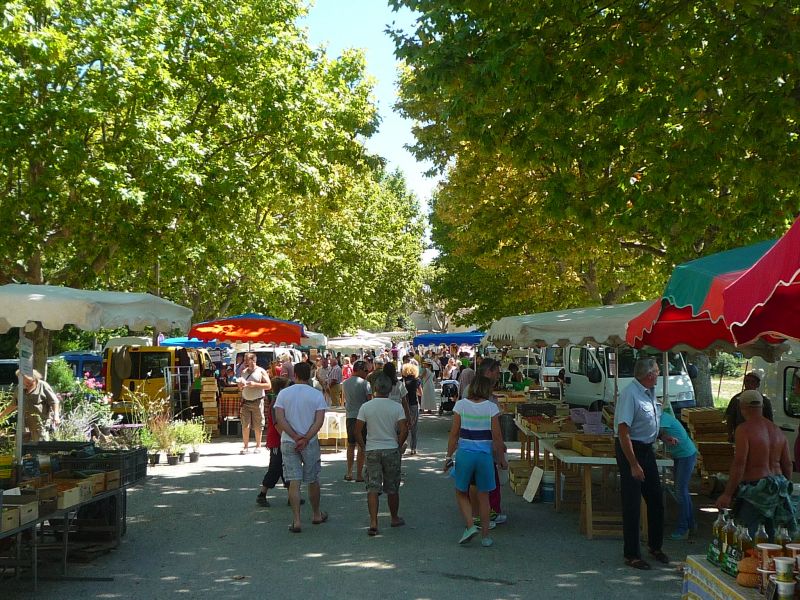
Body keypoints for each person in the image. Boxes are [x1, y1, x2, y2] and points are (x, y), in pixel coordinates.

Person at [614, 358, 676, 570]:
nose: (659, 375)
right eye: (657, 372)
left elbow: (650, 422)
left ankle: (655, 546)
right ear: (649, 374)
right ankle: (631, 554)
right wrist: (633, 464)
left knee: (656, 499)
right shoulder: (629, 394)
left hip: (647, 449)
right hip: (631, 450)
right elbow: (624, 432)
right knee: (632, 503)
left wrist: (663, 436)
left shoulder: (649, 393)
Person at [716, 390, 795, 538]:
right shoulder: (777, 430)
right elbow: (787, 465)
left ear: (742, 407)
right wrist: (784, 490)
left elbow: (740, 463)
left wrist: (727, 494)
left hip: (756, 491)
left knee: (748, 535)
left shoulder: (744, 430)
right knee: (772, 536)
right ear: (762, 406)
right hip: (778, 488)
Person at [445, 374, 507, 547]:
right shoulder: (491, 408)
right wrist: (501, 458)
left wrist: (448, 456)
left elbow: (454, 434)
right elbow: (497, 436)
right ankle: (486, 536)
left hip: (465, 454)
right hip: (484, 456)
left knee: (461, 492)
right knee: (484, 496)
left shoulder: (461, 405)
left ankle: (470, 525)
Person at [275, 362, 329, 533]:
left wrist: (294, 435)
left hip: (289, 441)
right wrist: (306, 437)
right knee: (312, 479)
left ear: (295, 375)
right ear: (310, 375)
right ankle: (316, 514)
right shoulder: (316, 395)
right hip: (310, 442)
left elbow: (280, 419)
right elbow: (319, 421)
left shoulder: (284, 394)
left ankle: (297, 520)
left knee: (294, 481)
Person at [355, 372, 408, 536]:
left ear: (375, 388)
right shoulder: (396, 407)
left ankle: (373, 522)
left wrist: (363, 446)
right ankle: (394, 517)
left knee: (372, 487)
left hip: (372, 449)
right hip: (391, 448)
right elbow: (404, 429)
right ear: (391, 389)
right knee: (392, 487)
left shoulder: (366, 407)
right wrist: (398, 445)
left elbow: (357, 430)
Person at [256, 377, 303, 507]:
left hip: (282, 439)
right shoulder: (276, 403)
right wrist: (288, 438)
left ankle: (291, 495)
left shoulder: (281, 401)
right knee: (275, 467)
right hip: (277, 440)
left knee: (286, 467)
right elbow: (277, 425)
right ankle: (262, 494)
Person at [659, 411, 697, 539]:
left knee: (681, 492)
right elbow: (661, 435)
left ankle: (683, 528)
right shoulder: (662, 418)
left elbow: (654, 433)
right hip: (682, 455)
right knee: (682, 491)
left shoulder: (663, 418)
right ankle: (690, 524)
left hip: (685, 455)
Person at [5, 370, 61, 442]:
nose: (25, 384)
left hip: (40, 425)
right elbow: (13, 404)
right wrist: (1, 415)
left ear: (34, 378)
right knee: (22, 449)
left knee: (40, 448)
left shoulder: (43, 385)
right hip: (24, 426)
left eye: (28, 382)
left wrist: (56, 416)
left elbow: (54, 401)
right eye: (23, 381)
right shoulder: (19, 388)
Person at [342, 360, 372, 482]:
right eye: (365, 370)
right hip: (362, 417)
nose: (367, 373)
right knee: (361, 445)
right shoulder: (366, 383)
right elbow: (369, 401)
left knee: (350, 444)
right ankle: (359, 474)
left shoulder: (345, 383)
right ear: (359, 370)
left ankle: (349, 472)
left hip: (350, 416)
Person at [237, 353, 272, 454]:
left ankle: (258, 446)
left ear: (253, 360)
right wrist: (240, 385)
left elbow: (268, 385)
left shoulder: (261, 371)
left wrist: (255, 384)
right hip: (245, 401)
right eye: (244, 360)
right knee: (245, 424)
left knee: (258, 424)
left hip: (257, 401)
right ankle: (246, 446)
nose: (245, 362)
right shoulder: (243, 371)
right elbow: (240, 387)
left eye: (246, 359)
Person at [725, 369, 773, 442]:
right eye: (747, 381)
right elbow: (730, 418)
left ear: (758, 384)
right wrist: (730, 434)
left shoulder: (764, 401)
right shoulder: (736, 399)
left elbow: (769, 421)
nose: (749, 384)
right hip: (740, 435)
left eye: (753, 382)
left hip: (758, 437)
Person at [401, 363, 421, 455]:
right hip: (413, 404)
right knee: (414, 426)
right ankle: (413, 448)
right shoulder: (417, 381)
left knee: (403, 425)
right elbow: (421, 393)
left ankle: (403, 442)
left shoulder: (402, 381)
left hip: (403, 405)